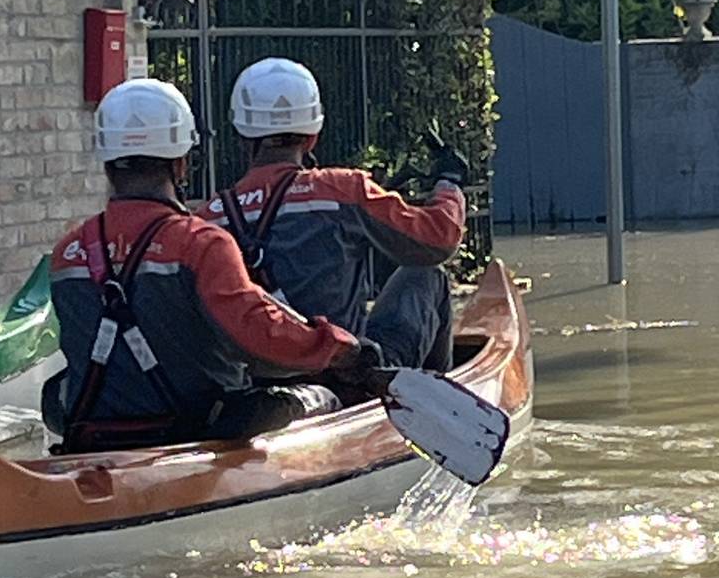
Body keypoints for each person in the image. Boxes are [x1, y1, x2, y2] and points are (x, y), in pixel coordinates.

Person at [44, 79, 379, 453]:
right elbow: (261, 336)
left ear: (106, 163)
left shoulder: (68, 251)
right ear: (181, 163)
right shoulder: (200, 244)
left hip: (95, 434)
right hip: (198, 432)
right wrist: (341, 349)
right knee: (325, 397)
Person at [206, 58, 469, 374]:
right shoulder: (343, 189)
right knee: (428, 274)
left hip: (259, 383)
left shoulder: (210, 217)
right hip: (354, 374)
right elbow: (439, 240)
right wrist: (448, 186)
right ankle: (441, 392)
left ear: (241, 136)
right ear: (313, 136)